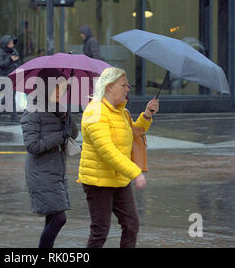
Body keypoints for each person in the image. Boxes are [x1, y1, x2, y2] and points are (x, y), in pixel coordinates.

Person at [78, 67, 159, 248]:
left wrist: (147, 115)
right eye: (123, 85)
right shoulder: (94, 113)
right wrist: (135, 173)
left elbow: (134, 133)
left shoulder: (121, 112)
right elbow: (107, 151)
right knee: (100, 231)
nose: (127, 89)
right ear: (108, 87)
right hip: (98, 182)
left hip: (119, 180)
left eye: (127, 85)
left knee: (131, 225)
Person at [21, 68, 78, 248]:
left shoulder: (57, 109)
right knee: (59, 218)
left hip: (55, 169)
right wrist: (59, 135)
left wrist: (67, 117)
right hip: (40, 171)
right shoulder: (33, 111)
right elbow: (32, 146)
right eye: (59, 88)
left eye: (64, 89)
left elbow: (74, 134)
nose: (62, 92)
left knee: (53, 216)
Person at [0, 35, 22, 121]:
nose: (11, 45)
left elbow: (18, 62)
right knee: (10, 95)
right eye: (9, 43)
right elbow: (0, 64)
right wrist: (10, 59)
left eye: (12, 43)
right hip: (3, 77)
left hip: (13, 77)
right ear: (5, 44)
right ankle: (14, 117)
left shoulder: (14, 51)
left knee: (8, 95)